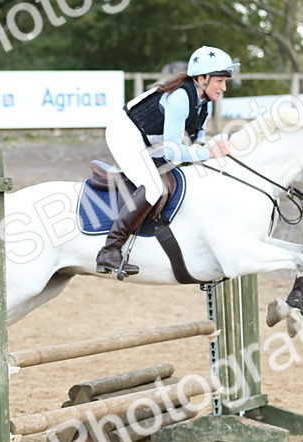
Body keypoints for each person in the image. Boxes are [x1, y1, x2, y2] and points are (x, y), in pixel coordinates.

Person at [95, 45, 237, 276]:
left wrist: (212, 149)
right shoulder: (180, 97)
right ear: (202, 78)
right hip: (125, 133)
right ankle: (110, 250)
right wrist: (209, 153)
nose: (223, 87)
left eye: (224, 82)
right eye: (219, 81)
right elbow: (173, 153)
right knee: (153, 187)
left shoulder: (204, 104)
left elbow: (196, 143)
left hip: (150, 141)